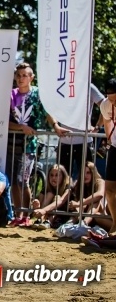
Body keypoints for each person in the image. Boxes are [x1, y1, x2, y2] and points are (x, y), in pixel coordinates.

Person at [7, 62, 57, 226]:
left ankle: (26, 215)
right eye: (18, 75)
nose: (21, 79)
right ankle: (18, 213)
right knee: (13, 181)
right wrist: (21, 127)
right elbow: (4, 121)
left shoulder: (38, 94)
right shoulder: (10, 95)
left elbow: (48, 112)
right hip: (11, 143)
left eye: (24, 75)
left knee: (23, 180)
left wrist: (55, 126)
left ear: (31, 77)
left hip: (30, 146)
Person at [54, 83, 104, 179]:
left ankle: (87, 194)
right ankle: (65, 194)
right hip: (65, 142)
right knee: (62, 178)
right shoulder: (62, 84)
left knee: (88, 178)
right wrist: (55, 125)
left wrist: (98, 126)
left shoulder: (88, 86)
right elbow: (50, 107)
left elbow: (105, 105)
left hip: (84, 142)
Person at [97, 78, 116, 236]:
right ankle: (115, 223)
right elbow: (107, 122)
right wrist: (110, 140)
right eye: (111, 99)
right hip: (115, 147)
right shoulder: (105, 104)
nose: (113, 103)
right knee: (109, 189)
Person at [31, 164, 71, 230]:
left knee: (57, 197)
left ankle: (49, 221)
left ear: (63, 177)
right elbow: (40, 202)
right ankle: (40, 220)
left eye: (57, 175)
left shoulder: (68, 186)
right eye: (51, 175)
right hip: (47, 212)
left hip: (64, 214)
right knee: (50, 194)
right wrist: (37, 205)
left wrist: (43, 210)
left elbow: (61, 201)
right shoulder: (47, 187)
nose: (53, 178)